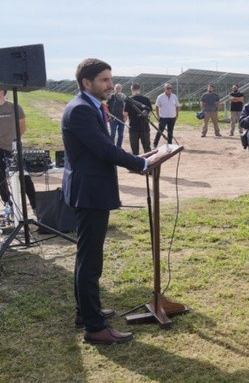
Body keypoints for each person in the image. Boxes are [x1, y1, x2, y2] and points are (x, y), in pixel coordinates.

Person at [63, 58, 167, 345]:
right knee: (90, 261)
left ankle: (87, 312)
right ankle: (94, 327)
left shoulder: (89, 106)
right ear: (87, 83)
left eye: (110, 79)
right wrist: (141, 163)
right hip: (89, 193)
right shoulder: (81, 110)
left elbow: (103, 149)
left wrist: (140, 158)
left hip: (90, 190)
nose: (110, 85)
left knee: (87, 257)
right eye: (104, 80)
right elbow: (104, 149)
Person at [0, 87, 36, 216]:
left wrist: (14, 141)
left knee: (24, 177)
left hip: (14, 148)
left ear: (3, 91)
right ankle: (8, 204)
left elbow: (22, 127)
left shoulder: (15, 107)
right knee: (1, 179)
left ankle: (35, 206)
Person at [124, 83, 152, 156]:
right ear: (139, 90)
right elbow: (150, 112)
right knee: (147, 148)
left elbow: (125, 114)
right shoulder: (146, 99)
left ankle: (136, 162)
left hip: (133, 127)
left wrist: (124, 121)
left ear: (132, 90)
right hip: (145, 127)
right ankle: (149, 162)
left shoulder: (129, 100)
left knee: (135, 149)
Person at [153, 83, 179, 147]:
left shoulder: (174, 96)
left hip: (172, 117)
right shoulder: (160, 97)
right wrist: (158, 116)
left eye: (170, 88)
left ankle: (170, 144)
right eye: (168, 88)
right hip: (163, 117)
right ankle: (155, 144)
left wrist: (177, 115)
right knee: (160, 131)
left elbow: (177, 106)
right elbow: (156, 106)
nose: (169, 89)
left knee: (170, 131)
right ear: (164, 89)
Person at [106, 84, 127, 148]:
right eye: (116, 88)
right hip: (113, 118)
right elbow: (106, 107)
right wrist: (109, 115)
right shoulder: (111, 97)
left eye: (119, 88)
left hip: (121, 118)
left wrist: (126, 117)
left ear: (121, 89)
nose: (118, 89)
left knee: (121, 135)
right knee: (112, 134)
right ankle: (112, 147)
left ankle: (118, 147)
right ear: (114, 89)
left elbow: (127, 108)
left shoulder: (124, 97)